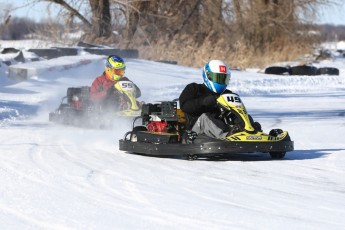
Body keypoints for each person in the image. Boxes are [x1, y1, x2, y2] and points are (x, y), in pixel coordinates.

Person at [179, 59, 260, 140]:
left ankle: (251, 132)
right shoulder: (194, 88)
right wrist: (204, 102)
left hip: (220, 127)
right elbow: (185, 106)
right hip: (196, 129)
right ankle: (227, 136)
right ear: (208, 75)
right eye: (218, 77)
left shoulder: (227, 93)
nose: (221, 81)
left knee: (241, 115)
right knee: (205, 117)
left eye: (224, 78)